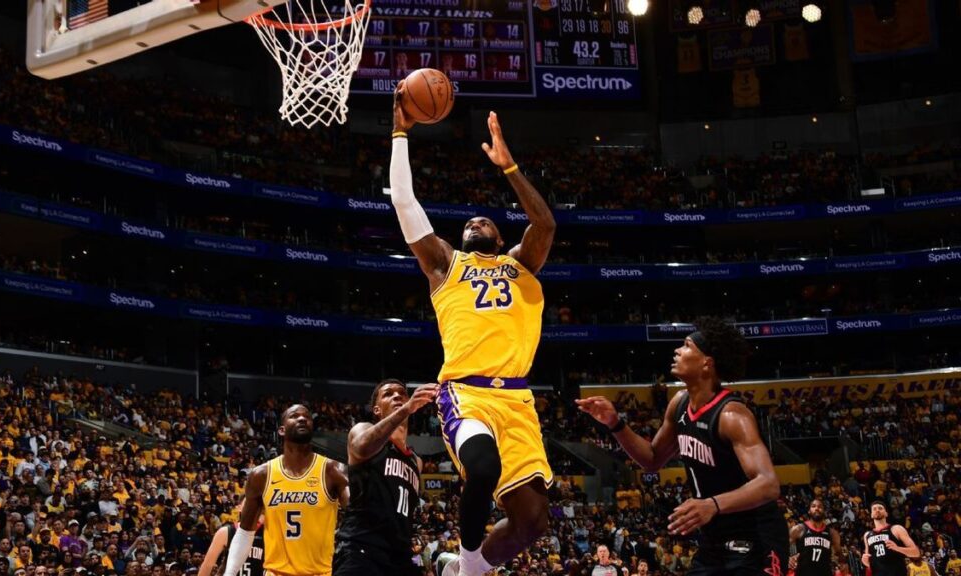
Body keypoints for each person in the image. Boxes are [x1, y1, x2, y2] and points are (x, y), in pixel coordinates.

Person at [390, 93, 557, 576]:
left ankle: (471, 567)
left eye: (485, 221)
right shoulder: (445, 264)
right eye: (469, 222)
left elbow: (544, 223)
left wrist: (509, 169)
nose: (475, 221)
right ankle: (465, 565)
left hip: (518, 403)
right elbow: (404, 201)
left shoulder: (520, 264)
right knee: (481, 469)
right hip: (467, 393)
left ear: (501, 239)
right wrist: (399, 132)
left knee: (533, 522)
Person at [576, 317, 788, 575]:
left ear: (707, 363)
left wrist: (712, 504)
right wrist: (615, 424)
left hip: (756, 537)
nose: (677, 350)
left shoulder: (732, 416)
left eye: (687, 346)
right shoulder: (679, 403)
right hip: (713, 537)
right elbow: (652, 459)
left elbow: (768, 483)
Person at [221, 405, 349, 576]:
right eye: (294, 416)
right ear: (281, 430)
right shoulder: (261, 475)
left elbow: (358, 515)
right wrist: (229, 574)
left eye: (307, 417)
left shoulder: (333, 470)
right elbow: (245, 533)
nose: (302, 419)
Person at [333, 379, 439, 575]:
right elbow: (361, 447)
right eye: (388, 394)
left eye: (402, 393)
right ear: (376, 410)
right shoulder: (363, 430)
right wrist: (406, 409)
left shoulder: (417, 461)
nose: (397, 396)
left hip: (399, 557)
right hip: (362, 550)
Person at [198, 501, 264, 576]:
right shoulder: (226, 532)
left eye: (256, 506)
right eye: (248, 503)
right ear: (239, 508)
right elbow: (207, 565)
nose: (252, 508)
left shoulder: (267, 533)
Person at [863, 501, 921, 576]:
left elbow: (916, 552)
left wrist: (897, 548)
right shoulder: (867, 535)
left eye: (880, 508)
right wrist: (864, 561)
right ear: (871, 515)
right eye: (874, 509)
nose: (877, 510)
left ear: (886, 513)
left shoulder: (896, 529)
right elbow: (869, 563)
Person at [790, 499, 842, 576]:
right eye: (813, 506)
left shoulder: (832, 533)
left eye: (820, 506)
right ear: (809, 511)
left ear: (824, 511)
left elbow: (839, 553)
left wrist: (843, 563)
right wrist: (788, 558)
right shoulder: (798, 529)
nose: (817, 508)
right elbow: (782, 546)